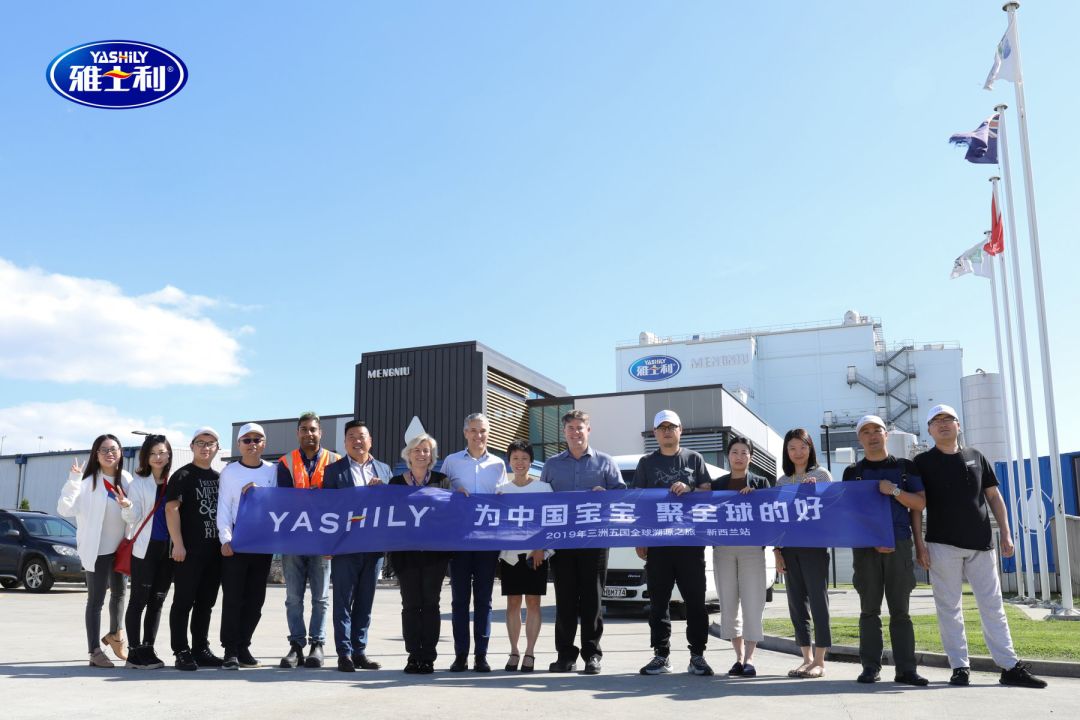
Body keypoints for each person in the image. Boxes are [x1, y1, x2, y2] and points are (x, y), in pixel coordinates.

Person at [914, 404, 1047, 689]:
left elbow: (994, 497)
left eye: (948, 419)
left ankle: (1009, 667)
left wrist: (1006, 533)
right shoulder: (922, 462)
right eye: (936, 421)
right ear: (929, 430)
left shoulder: (976, 456)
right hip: (941, 544)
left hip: (982, 544)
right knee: (949, 608)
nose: (943, 424)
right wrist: (919, 545)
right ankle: (959, 667)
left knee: (993, 606)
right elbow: (917, 506)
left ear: (958, 425)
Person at [843, 415, 928, 686]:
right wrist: (871, 539)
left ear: (886, 434)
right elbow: (850, 513)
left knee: (900, 611)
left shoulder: (904, 467)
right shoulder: (852, 472)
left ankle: (906, 669)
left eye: (877, 430)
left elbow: (919, 504)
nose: (872, 436)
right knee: (869, 610)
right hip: (866, 548)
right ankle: (870, 667)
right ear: (859, 439)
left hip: (898, 545)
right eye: (866, 432)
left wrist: (893, 491)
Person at [540, 409, 625, 675]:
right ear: (564, 432)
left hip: (595, 542)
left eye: (580, 427)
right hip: (562, 543)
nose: (575, 432)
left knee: (592, 599)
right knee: (565, 600)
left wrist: (605, 494)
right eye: (571, 428)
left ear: (589, 430)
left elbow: (622, 497)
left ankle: (592, 655)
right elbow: (540, 500)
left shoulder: (606, 462)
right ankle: (565, 655)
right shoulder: (552, 465)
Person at [633, 410, 714, 677]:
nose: (667, 431)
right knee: (659, 602)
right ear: (655, 433)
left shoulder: (694, 458)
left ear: (681, 430)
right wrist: (641, 537)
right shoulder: (646, 463)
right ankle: (661, 655)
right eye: (662, 427)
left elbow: (708, 494)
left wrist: (691, 490)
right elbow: (638, 501)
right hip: (658, 545)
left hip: (690, 544)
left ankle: (697, 655)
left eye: (672, 427)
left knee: (695, 601)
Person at [322, 420, 393, 672]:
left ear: (370, 441)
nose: (357, 441)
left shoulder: (384, 470)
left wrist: (384, 490)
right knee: (343, 601)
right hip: (345, 546)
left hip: (374, 546)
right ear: (345, 443)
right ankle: (344, 653)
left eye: (361, 436)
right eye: (351, 436)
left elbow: (393, 505)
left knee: (365, 601)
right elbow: (327, 510)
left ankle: (359, 651)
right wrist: (328, 543)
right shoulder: (334, 471)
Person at [57, 433, 133, 668]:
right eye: (104, 450)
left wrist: (127, 506)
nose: (110, 453)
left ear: (120, 452)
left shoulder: (127, 479)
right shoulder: (87, 482)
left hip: (120, 549)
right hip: (97, 550)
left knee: (119, 594)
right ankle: (94, 651)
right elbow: (64, 510)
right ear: (96, 455)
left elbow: (134, 515)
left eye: (114, 449)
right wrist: (73, 480)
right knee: (96, 601)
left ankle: (116, 635)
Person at [439, 412, 506, 673]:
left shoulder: (499, 464)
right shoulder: (452, 461)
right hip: (459, 540)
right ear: (465, 433)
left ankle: (481, 656)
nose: (479, 435)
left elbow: (504, 499)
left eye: (483, 430)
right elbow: (439, 493)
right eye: (474, 430)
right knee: (459, 601)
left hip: (487, 541)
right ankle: (460, 656)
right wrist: (452, 493)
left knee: (484, 600)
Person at [276, 411, 341, 669]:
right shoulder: (286, 462)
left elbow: (341, 501)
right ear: (297, 433)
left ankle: (317, 644)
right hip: (293, 540)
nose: (309, 434)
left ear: (320, 432)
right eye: (304, 429)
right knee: (293, 597)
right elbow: (281, 500)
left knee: (321, 598)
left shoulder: (335, 461)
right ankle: (296, 646)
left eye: (313, 429)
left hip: (322, 541)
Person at [389, 433, 453, 674]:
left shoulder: (442, 481)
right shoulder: (396, 483)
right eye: (417, 449)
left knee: (430, 604)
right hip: (405, 553)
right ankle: (413, 655)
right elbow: (386, 513)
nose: (421, 454)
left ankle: (428, 657)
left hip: (435, 554)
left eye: (426, 450)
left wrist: (462, 496)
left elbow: (451, 512)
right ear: (408, 454)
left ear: (432, 456)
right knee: (410, 604)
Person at [216, 423, 278, 670]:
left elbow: (279, 503)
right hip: (237, 540)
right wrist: (225, 539)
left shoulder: (273, 471)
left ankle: (244, 646)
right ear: (239, 444)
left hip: (262, 542)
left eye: (257, 439)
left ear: (264, 443)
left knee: (255, 600)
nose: (252, 444)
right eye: (247, 440)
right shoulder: (229, 472)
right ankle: (230, 649)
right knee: (233, 598)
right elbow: (223, 507)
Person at [774, 428, 833, 679]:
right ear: (786, 452)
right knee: (796, 604)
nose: (798, 452)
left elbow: (832, 508)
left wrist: (815, 493)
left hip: (814, 547)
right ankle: (806, 658)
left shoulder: (821, 475)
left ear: (810, 448)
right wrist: (777, 552)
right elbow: (777, 518)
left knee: (818, 602)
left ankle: (820, 660)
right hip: (789, 548)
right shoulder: (782, 481)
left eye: (803, 447)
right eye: (792, 448)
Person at [711, 435, 772, 678]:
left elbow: (770, 512)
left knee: (752, 603)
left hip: (752, 549)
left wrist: (756, 498)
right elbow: (706, 510)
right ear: (728, 456)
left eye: (744, 452)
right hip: (723, 548)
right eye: (734, 452)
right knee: (728, 603)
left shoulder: (761, 483)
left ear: (751, 457)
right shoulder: (717, 484)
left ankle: (750, 658)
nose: (739, 457)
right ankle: (738, 657)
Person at [166, 427, 224, 671]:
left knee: (205, 604)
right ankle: (181, 651)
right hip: (188, 552)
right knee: (183, 602)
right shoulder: (182, 476)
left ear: (217, 449)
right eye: (200, 442)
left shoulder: (220, 478)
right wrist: (178, 544)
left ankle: (201, 649)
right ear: (192, 446)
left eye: (210, 443)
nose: (205, 447)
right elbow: (171, 509)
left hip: (215, 553)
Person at [496, 439, 552, 673]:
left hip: (535, 555)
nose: (520, 463)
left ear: (531, 461)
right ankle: (514, 651)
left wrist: (541, 548)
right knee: (512, 603)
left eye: (525, 458)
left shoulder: (543, 488)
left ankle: (529, 652)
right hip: (510, 555)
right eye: (515, 458)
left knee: (533, 602)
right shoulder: (501, 491)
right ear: (509, 461)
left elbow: (551, 522)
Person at [121, 435, 174, 669]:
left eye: (162, 452)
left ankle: (148, 648)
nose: (158, 457)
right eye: (153, 453)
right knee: (139, 600)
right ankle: (133, 652)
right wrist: (127, 506)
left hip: (169, 550)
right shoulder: (139, 483)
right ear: (146, 457)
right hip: (145, 548)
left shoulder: (175, 481)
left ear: (169, 454)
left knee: (158, 601)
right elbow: (133, 518)